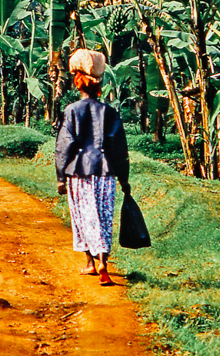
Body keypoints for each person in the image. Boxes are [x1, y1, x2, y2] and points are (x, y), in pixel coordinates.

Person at [54, 48, 130, 286]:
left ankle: (90, 262)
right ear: (99, 85)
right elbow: (119, 149)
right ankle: (103, 262)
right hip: (105, 172)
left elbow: (64, 146)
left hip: (79, 172)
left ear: (78, 82)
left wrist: (60, 177)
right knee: (103, 217)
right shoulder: (109, 112)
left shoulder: (71, 111)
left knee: (83, 217)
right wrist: (124, 179)